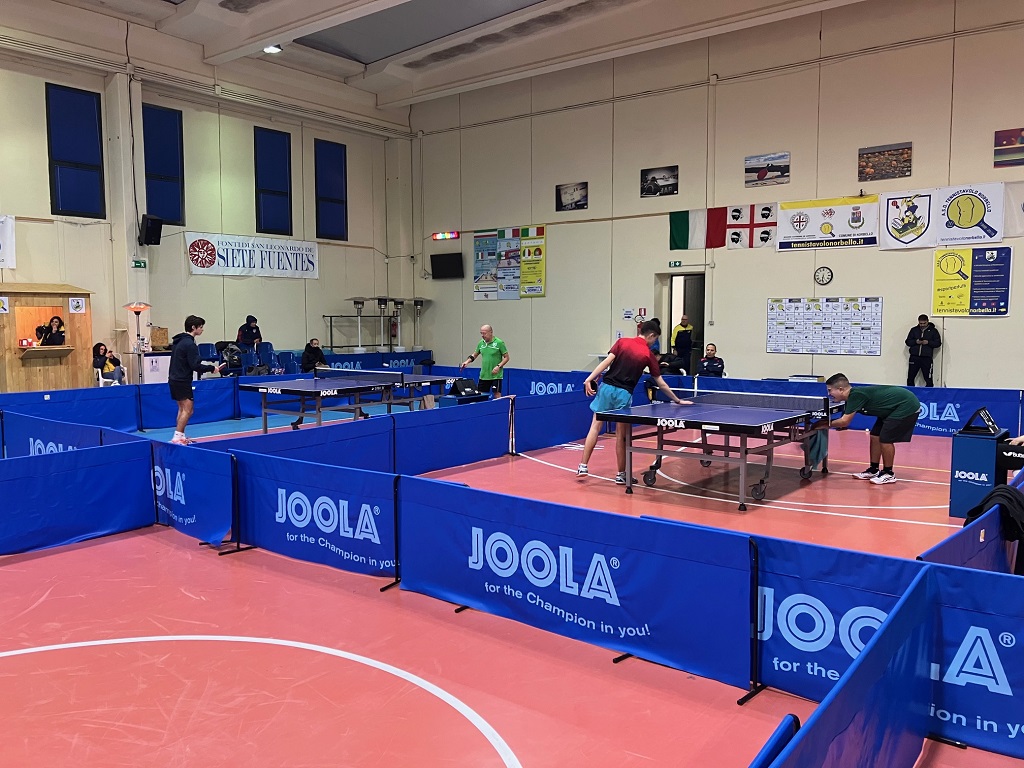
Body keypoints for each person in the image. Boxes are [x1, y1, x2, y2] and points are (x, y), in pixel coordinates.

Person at [577, 320, 691, 484]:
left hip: (606, 388)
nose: (654, 342)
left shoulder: (622, 342)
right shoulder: (648, 355)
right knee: (621, 436)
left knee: (595, 427)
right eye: (655, 338)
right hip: (624, 393)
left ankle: (583, 466)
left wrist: (588, 379)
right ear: (651, 335)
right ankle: (621, 475)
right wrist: (677, 400)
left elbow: (606, 362)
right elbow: (661, 383)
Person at [822, 373, 920, 485]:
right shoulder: (852, 396)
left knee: (885, 439)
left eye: (830, 390)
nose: (829, 394)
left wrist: (824, 424)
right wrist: (827, 423)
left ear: (841, 389)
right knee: (875, 436)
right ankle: (873, 469)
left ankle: (889, 473)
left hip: (906, 405)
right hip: (890, 409)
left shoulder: (855, 396)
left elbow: (844, 422)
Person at [169, 315, 223, 445]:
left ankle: (180, 436)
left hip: (174, 379)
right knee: (188, 410)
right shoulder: (190, 344)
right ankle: (177, 437)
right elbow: (195, 365)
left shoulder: (178, 342)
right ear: (193, 327)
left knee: (182, 409)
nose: (202, 329)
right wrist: (212, 368)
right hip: (182, 380)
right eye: (201, 327)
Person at [460, 324, 509, 396]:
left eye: (484, 333)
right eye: (481, 333)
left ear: (491, 332)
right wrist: (467, 362)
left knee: (497, 394)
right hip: (484, 375)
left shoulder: (499, 343)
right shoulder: (481, 343)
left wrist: (498, 366)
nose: (482, 335)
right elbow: (474, 355)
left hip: (496, 375)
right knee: (481, 395)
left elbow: (506, 357)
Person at [905, 314, 941, 387]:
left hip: (926, 358)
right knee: (910, 378)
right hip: (914, 357)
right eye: (921, 323)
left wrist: (928, 342)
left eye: (924, 323)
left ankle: (929, 393)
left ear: (927, 321)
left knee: (928, 379)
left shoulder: (933, 331)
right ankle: (911, 392)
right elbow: (908, 342)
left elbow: (938, 343)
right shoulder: (914, 330)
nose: (922, 325)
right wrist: (916, 342)